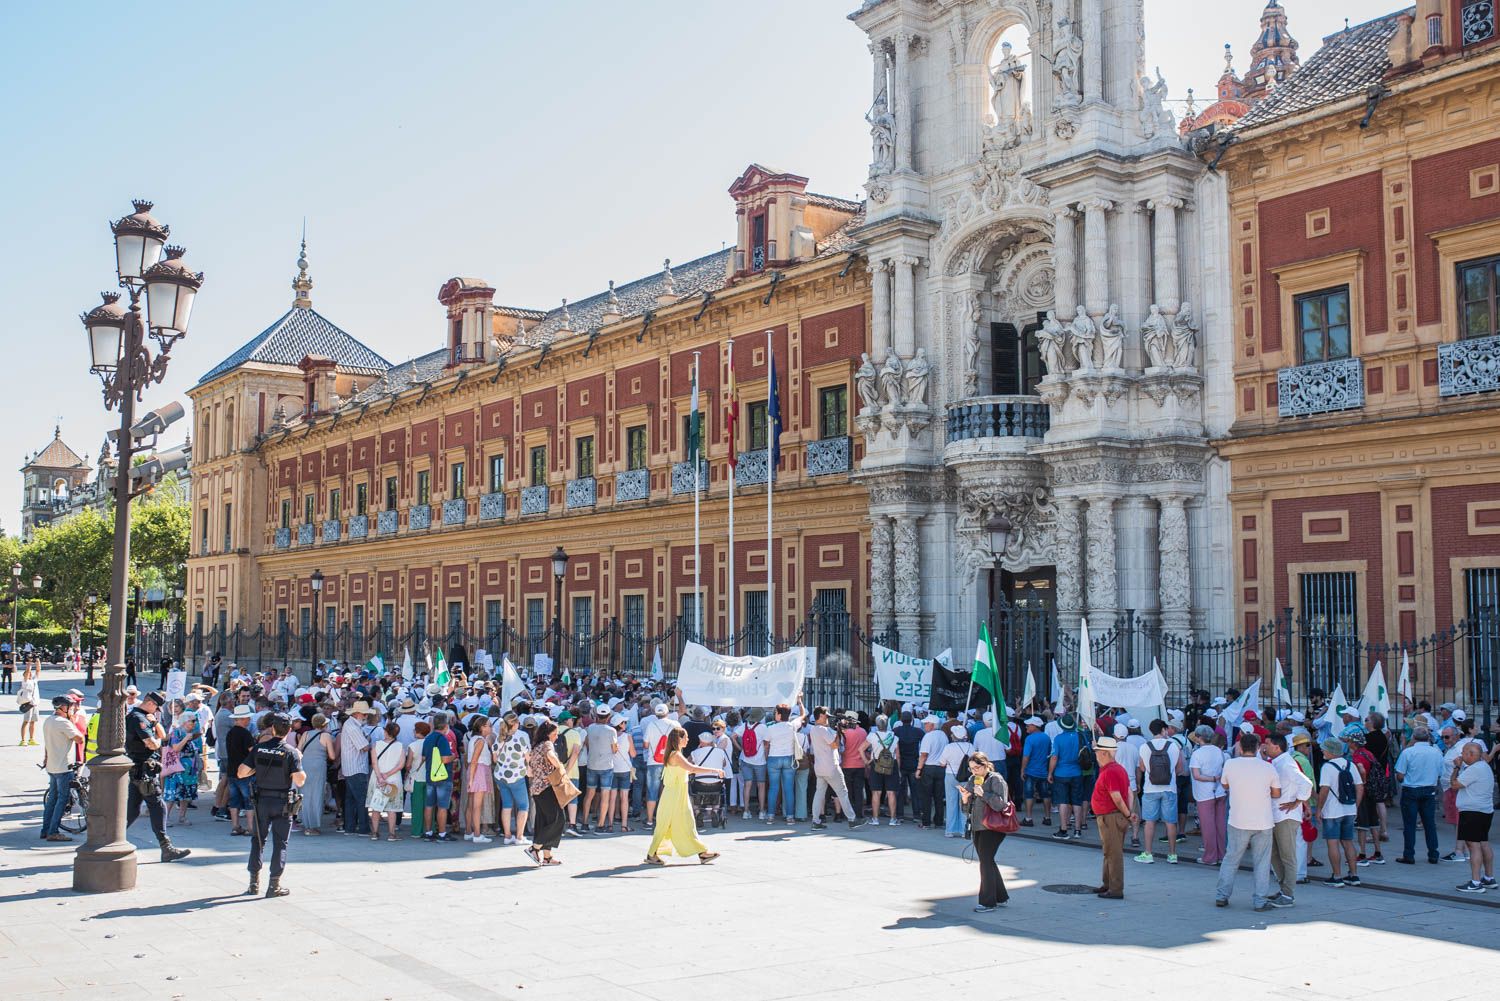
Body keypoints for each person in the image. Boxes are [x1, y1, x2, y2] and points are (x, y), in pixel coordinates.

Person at [237, 712, 305, 897]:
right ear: (289, 730)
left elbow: (241, 772)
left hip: (261, 801)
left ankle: (253, 883)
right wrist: (299, 762)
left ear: (272, 728)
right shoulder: (291, 752)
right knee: (280, 843)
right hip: (282, 802)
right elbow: (299, 781)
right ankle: (274, 885)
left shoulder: (259, 749)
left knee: (257, 841)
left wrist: (256, 770)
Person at [1215, 732, 1281, 911]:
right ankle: (1260, 900)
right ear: (1259, 747)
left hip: (1238, 819)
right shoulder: (1268, 767)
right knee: (1261, 862)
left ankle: (1222, 895)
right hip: (1263, 820)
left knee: (1231, 859)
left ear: (1241, 747)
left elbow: (1225, 785)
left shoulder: (1230, 764)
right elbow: (1276, 793)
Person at [125, 690, 191, 862]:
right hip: (143, 769)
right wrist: (155, 735)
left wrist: (155, 724)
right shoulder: (138, 719)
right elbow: (153, 744)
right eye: (156, 708)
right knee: (158, 806)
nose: (156, 712)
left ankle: (110, 838)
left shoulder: (146, 717)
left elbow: (163, 736)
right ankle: (166, 847)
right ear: (149, 703)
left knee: (132, 809)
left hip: (141, 769)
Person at [645, 726, 723, 865]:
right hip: (675, 795)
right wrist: (715, 770)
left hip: (675, 794)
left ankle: (702, 853)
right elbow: (692, 769)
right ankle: (701, 853)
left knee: (682, 824)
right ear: (679, 738)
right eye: (685, 737)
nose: (688, 739)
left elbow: (686, 771)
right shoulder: (676, 755)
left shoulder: (674, 754)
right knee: (673, 825)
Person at [959, 751, 1011, 912]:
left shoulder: (996, 779)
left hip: (993, 827)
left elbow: (1001, 805)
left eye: (976, 768)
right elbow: (966, 809)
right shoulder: (972, 779)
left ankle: (988, 902)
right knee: (987, 860)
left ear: (985, 765)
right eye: (971, 769)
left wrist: (984, 794)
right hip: (977, 825)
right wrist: (965, 798)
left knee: (986, 862)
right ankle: (1001, 896)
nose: (974, 771)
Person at [1265, 733, 1313, 907]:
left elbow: (1306, 783)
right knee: (1275, 854)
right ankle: (1284, 889)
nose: (1265, 746)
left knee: (1287, 856)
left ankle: (1288, 894)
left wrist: (1297, 802)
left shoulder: (1286, 763)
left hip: (1286, 816)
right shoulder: (1279, 762)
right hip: (1277, 815)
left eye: (1268, 744)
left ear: (1277, 747)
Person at [807, 706, 867, 830]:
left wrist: (838, 729)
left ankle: (815, 821)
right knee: (843, 792)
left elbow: (831, 739)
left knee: (819, 794)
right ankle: (852, 819)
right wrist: (839, 731)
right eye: (826, 716)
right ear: (822, 716)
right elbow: (835, 745)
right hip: (831, 766)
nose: (828, 718)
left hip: (820, 767)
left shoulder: (814, 729)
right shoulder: (823, 730)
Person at [1449, 740, 1496, 892]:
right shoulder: (1484, 766)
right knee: (1483, 843)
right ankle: (1489, 878)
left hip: (1472, 812)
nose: (1461, 755)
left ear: (1471, 754)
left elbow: (1455, 784)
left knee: (1473, 845)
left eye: (1463, 752)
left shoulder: (1474, 769)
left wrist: (1456, 767)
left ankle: (1475, 882)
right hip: (1484, 810)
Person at [1317, 737, 1364, 887]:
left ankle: (1337, 876)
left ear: (1331, 751)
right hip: (1349, 809)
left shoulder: (1327, 767)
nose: (1322, 751)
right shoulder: (1350, 765)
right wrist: (1355, 806)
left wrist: (1319, 809)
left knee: (1333, 843)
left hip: (1332, 811)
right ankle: (1354, 875)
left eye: (1324, 749)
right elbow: (1360, 787)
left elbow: (1324, 790)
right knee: (1348, 842)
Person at [1089, 735, 1132, 900]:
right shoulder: (1117, 769)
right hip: (1112, 815)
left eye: (1097, 752)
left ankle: (1115, 889)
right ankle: (1107, 884)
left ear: (1105, 753)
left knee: (1113, 853)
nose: (1096, 755)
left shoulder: (1111, 771)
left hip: (1111, 816)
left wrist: (1128, 814)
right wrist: (1128, 813)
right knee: (1109, 851)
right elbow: (1128, 792)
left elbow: (1117, 797)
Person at [1136, 719, 1181, 864]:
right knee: (1170, 822)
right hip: (1169, 788)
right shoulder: (1173, 746)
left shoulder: (1144, 747)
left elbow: (1142, 768)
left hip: (1150, 789)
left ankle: (1148, 853)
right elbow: (1179, 769)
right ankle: (1172, 854)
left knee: (1149, 822)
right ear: (1164, 729)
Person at [525, 719, 568, 866]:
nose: (556, 737)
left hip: (536, 788)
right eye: (555, 734)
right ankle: (535, 848)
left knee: (545, 822)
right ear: (548, 734)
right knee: (558, 819)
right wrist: (560, 766)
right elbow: (551, 756)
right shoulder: (547, 744)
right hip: (547, 787)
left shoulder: (535, 747)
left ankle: (547, 857)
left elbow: (529, 772)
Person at [40, 696, 83, 842]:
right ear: (62, 708)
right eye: (70, 706)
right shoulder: (64, 723)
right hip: (64, 766)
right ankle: (53, 831)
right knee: (62, 799)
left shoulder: (49, 720)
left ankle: (45, 830)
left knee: (52, 799)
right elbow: (80, 739)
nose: (72, 709)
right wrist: (73, 723)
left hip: (52, 766)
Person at [1189, 724, 1227, 865]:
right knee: (1220, 824)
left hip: (1204, 793)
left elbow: (1197, 775)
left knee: (1208, 826)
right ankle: (1222, 854)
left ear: (1199, 738)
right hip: (1220, 791)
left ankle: (1210, 856)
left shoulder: (1197, 754)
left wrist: (1211, 778)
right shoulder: (1218, 751)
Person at [338, 701, 376, 835]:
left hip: (351, 766)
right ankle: (363, 827)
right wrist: (369, 741)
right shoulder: (353, 726)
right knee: (361, 799)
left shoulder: (351, 724)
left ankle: (350, 827)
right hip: (356, 767)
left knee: (351, 800)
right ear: (358, 713)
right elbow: (364, 747)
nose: (366, 716)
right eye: (364, 713)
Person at [294, 713, 334, 835]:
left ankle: (305, 824)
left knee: (304, 794)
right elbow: (332, 756)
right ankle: (313, 826)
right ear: (324, 724)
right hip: (318, 767)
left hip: (305, 765)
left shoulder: (305, 734)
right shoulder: (326, 736)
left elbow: (298, 750)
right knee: (317, 794)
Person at [1048, 714, 1087, 840]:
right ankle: (1078, 829)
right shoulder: (1079, 736)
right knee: (1077, 801)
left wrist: (1050, 773)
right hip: (1077, 772)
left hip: (1061, 773)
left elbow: (1054, 757)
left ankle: (1063, 829)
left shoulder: (1058, 739)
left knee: (1063, 801)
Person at [162, 712, 203, 827]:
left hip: (189, 770)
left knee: (186, 794)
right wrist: (186, 738)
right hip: (177, 768)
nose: (195, 723)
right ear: (185, 721)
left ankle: (182, 816)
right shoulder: (177, 732)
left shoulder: (190, 733)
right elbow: (176, 748)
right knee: (172, 793)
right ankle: (165, 818)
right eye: (193, 721)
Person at [368, 720, 407, 841]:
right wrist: (387, 775)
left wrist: (380, 776)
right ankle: (391, 834)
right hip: (393, 779)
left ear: (386, 732)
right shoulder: (400, 746)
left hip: (377, 778)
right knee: (392, 809)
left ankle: (374, 833)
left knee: (376, 806)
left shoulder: (376, 745)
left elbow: (374, 763)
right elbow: (401, 765)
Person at [421, 712, 458, 841]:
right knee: (442, 806)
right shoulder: (443, 739)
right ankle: (442, 833)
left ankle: (428, 832)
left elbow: (424, 757)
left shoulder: (428, 738)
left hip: (430, 774)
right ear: (445, 725)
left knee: (429, 805)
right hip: (443, 776)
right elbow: (445, 759)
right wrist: (454, 756)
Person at [763, 703, 800, 823]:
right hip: (789, 757)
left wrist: (766, 757)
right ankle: (790, 816)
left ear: (779, 715)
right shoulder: (792, 726)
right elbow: (803, 716)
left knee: (773, 788)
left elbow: (766, 745)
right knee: (789, 788)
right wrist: (800, 703)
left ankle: (770, 815)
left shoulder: (770, 728)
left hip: (774, 758)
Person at [939, 722, 975, 838]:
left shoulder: (949, 747)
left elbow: (942, 763)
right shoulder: (971, 746)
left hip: (951, 775)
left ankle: (950, 830)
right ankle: (964, 830)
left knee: (951, 803)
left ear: (954, 735)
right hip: (966, 777)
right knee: (965, 803)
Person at [640, 703, 674, 829]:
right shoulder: (675, 724)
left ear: (656, 714)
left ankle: (649, 821)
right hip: (670, 762)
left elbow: (645, 745)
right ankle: (668, 820)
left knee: (652, 792)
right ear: (667, 713)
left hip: (653, 762)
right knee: (669, 791)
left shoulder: (651, 725)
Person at [461, 716, 494, 842]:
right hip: (479, 771)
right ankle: (477, 834)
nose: (490, 727)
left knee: (471, 804)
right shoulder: (480, 740)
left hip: (474, 770)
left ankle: (469, 831)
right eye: (489, 725)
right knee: (477, 806)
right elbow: (475, 760)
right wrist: (471, 780)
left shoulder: (474, 739)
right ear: (482, 727)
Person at [914, 715, 949, 829]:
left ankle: (926, 822)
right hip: (941, 767)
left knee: (926, 796)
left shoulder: (928, 737)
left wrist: (919, 769)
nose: (925, 725)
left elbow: (924, 755)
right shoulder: (943, 735)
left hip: (929, 767)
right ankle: (938, 820)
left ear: (932, 725)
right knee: (939, 796)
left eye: (926, 723)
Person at [865, 714, 900, 825]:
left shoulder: (872, 736)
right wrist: (898, 770)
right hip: (891, 764)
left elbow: (860, 749)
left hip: (876, 764)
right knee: (891, 793)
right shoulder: (894, 737)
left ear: (877, 724)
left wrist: (866, 762)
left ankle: (875, 819)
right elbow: (898, 755)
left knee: (876, 793)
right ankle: (893, 819)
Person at [892, 709, 923, 820]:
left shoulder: (895, 731)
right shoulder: (918, 732)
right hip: (913, 763)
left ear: (901, 720)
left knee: (900, 790)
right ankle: (916, 814)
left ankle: (899, 814)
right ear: (911, 720)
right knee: (915, 791)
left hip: (901, 763)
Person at [1019, 716, 1050, 827]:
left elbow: (1026, 756)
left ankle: (1028, 818)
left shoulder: (1030, 739)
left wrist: (1022, 770)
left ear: (1034, 726)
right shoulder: (1046, 737)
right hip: (1043, 771)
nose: (1026, 727)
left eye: (1028, 725)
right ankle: (1047, 817)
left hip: (1031, 771)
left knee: (1029, 795)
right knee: (1045, 795)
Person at [17, 660, 40, 747]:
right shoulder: (25, 682)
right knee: (26, 721)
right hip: (28, 704)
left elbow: (38, 670)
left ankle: (31, 739)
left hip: (35, 703)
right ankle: (23, 740)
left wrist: (37, 661)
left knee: (33, 722)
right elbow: (27, 673)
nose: (30, 674)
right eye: (28, 674)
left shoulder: (34, 680)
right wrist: (29, 665)